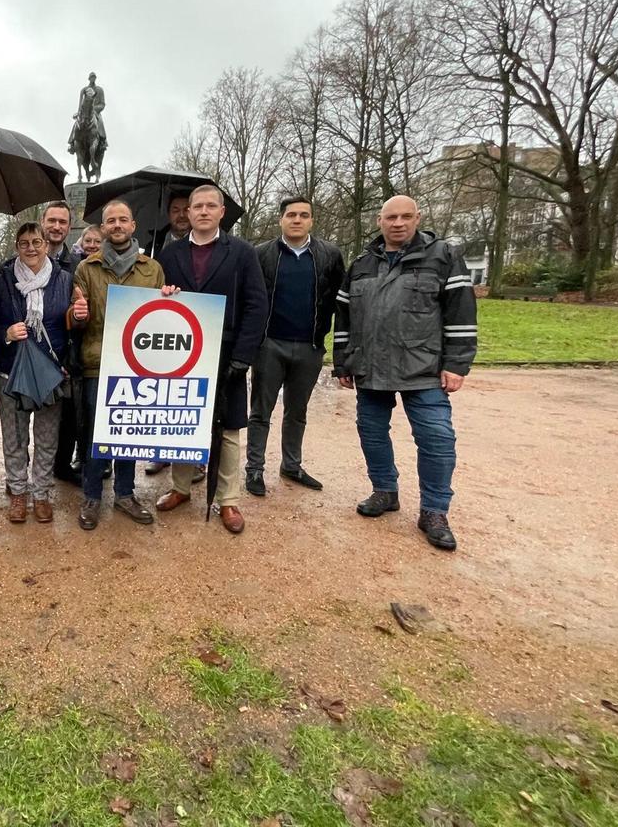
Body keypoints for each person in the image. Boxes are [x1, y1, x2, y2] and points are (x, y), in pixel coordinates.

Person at [332, 195, 477, 552]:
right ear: (380, 221)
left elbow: (461, 312)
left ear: (418, 218)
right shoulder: (363, 263)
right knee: (372, 433)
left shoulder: (443, 256)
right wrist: (343, 361)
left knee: (437, 439)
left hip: (423, 368)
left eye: (405, 217)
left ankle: (434, 511)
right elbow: (345, 316)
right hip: (370, 366)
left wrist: (456, 364)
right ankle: (384, 490)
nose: (398, 223)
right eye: (391, 217)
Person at [154, 184, 269, 534]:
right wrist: (165, 296)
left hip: (226, 353)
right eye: (196, 206)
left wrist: (243, 356)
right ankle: (180, 487)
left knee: (229, 428)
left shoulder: (242, 252)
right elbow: (157, 307)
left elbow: (256, 305)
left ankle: (229, 499)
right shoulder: (169, 255)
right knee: (181, 421)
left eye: (210, 206)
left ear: (221, 213)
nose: (203, 211)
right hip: (182, 354)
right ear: (187, 214)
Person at [71, 199, 167, 530]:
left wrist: (170, 298)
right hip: (98, 362)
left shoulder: (152, 269)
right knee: (97, 433)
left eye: (122, 219)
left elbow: (160, 318)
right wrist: (76, 315)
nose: (116, 225)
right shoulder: (87, 268)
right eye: (110, 220)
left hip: (136, 365)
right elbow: (76, 317)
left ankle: (125, 494)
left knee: (129, 431)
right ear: (103, 227)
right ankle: (92, 496)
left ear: (133, 226)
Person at [244, 197, 346, 497]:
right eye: (291, 215)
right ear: (281, 219)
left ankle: (291, 465)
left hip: (310, 346)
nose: (297, 220)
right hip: (269, 344)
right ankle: (254, 469)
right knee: (260, 411)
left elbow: (340, 301)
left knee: (297, 411)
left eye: (304, 215)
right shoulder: (261, 253)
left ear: (312, 220)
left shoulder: (330, 255)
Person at [0, 222, 84, 523]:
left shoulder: (65, 279)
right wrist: (5, 333)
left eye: (36, 242)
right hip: (12, 369)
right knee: (15, 436)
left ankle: (42, 493)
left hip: (50, 371)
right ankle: (18, 493)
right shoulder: (3, 279)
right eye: (24, 243)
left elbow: (72, 326)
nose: (31, 248)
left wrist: (80, 315)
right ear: (16, 247)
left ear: (46, 245)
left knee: (46, 436)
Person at [36, 201, 87, 485]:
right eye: (52, 221)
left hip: (64, 353)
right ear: (43, 221)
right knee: (28, 412)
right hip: (32, 349)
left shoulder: (77, 266)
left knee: (65, 414)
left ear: (69, 227)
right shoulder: (21, 260)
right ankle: (26, 470)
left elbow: (81, 312)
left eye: (62, 222)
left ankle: (62, 465)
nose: (56, 227)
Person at [144, 192, 195, 474]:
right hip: (162, 325)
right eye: (175, 210)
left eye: (185, 209)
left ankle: (193, 457)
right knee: (161, 394)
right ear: (168, 214)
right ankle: (160, 452)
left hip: (195, 326)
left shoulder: (209, 243)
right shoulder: (155, 244)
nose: (181, 215)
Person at [67, 71, 107, 152]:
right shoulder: (83, 90)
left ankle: (103, 141)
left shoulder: (100, 90)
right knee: (76, 123)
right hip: (84, 112)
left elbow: (102, 104)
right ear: (89, 78)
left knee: (100, 122)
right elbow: (80, 104)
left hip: (96, 112)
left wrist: (94, 109)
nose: (93, 78)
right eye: (91, 77)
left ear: (95, 78)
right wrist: (78, 112)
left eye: (94, 77)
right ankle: (71, 144)